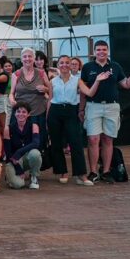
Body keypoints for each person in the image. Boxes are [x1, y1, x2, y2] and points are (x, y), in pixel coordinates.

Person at [81, 40, 130, 183]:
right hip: (93, 106)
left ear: (108, 50)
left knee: (108, 139)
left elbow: (127, 84)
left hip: (112, 107)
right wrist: (81, 109)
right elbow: (83, 90)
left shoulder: (115, 67)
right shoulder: (87, 67)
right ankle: (92, 172)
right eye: (98, 50)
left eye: (104, 49)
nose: (101, 52)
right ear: (94, 51)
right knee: (93, 139)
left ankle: (105, 171)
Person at [48, 55, 91, 186]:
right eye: (62, 63)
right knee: (56, 143)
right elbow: (50, 99)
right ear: (58, 65)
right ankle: (62, 172)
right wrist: (46, 119)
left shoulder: (77, 80)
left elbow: (89, 93)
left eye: (67, 63)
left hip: (71, 111)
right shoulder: (52, 81)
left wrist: (98, 81)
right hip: (55, 111)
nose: (64, 65)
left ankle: (81, 174)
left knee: (76, 142)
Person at [9, 48, 51, 145]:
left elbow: (50, 90)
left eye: (30, 56)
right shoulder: (16, 74)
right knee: (20, 140)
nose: (27, 59)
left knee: (39, 140)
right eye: (25, 56)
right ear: (21, 58)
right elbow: (11, 93)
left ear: (34, 58)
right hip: (21, 113)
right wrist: (11, 100)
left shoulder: (41, 73)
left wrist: (45, 89)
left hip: (38, 112)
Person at [4, 103, 43, 190]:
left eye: (24, 112)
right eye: (18, 111)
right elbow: (8, 152)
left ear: (28, 114)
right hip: (13, 160)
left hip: (25, 158)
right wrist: (18, 169)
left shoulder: (34, 126)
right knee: (18, 185)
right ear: (14, 113)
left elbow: (36, 143)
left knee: (35, 153)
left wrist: (19, 152)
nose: (21, 114)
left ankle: (34, 177)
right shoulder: (8, 128)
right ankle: (10, 176)